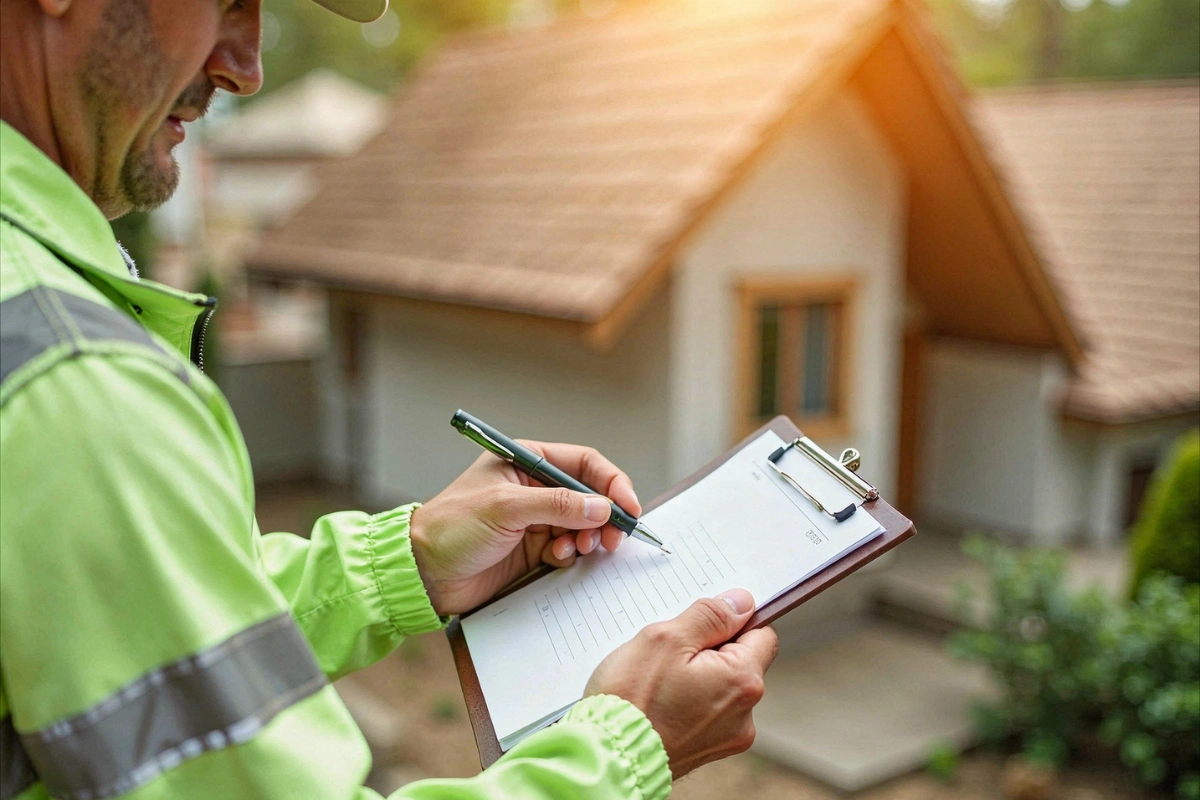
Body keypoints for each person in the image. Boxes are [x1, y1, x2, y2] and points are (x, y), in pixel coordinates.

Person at [0, 0, 780, 798]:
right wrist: (626, 748)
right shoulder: (72, 380)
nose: (245, 65)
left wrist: (404, 563)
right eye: (230, 1)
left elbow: (134, 629)